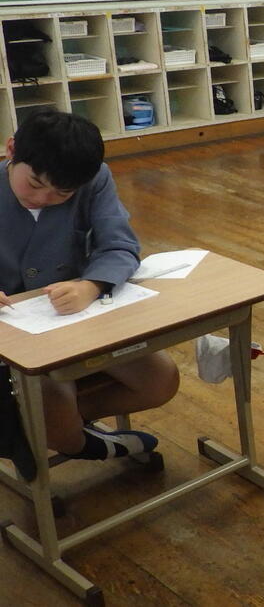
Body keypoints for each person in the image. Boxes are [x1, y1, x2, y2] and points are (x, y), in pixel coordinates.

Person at [0, 110, 179, 469]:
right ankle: (82, 441)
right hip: (12, 336)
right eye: (34, 184)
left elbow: (120, 245)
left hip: (74, 320)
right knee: (53, 415)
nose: (44, 198)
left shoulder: (94, 179)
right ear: (11, 150)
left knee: (161, 381)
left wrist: (91, 285)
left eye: (62, 193)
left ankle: (49, 430)